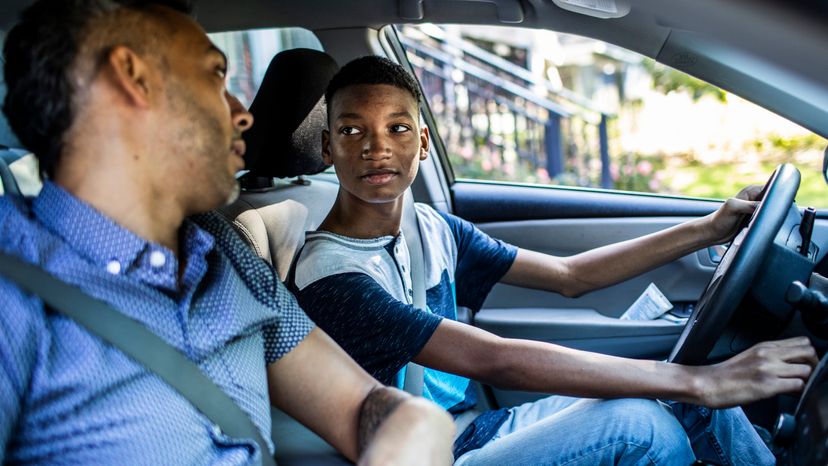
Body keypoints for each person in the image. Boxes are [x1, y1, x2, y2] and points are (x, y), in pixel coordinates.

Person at [289, 55, 819, 466]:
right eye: (352, 130)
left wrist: (709, 228)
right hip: (430, 453)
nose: (374, 147)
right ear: (328, 148)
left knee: (687, 396)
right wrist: (699, 380)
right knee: (644, 422)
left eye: (397, 128)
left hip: (476, 428)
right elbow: (492, 359)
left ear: (423, 142)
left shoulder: (433, 228)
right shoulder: (331, 274)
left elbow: (572, 276)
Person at [0, 2, 454, 465]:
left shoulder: (224, 252)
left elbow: (361, 406)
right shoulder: (13, 289)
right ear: (131, 77)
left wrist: (419, 424)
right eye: (216, 75)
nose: (242, 115)